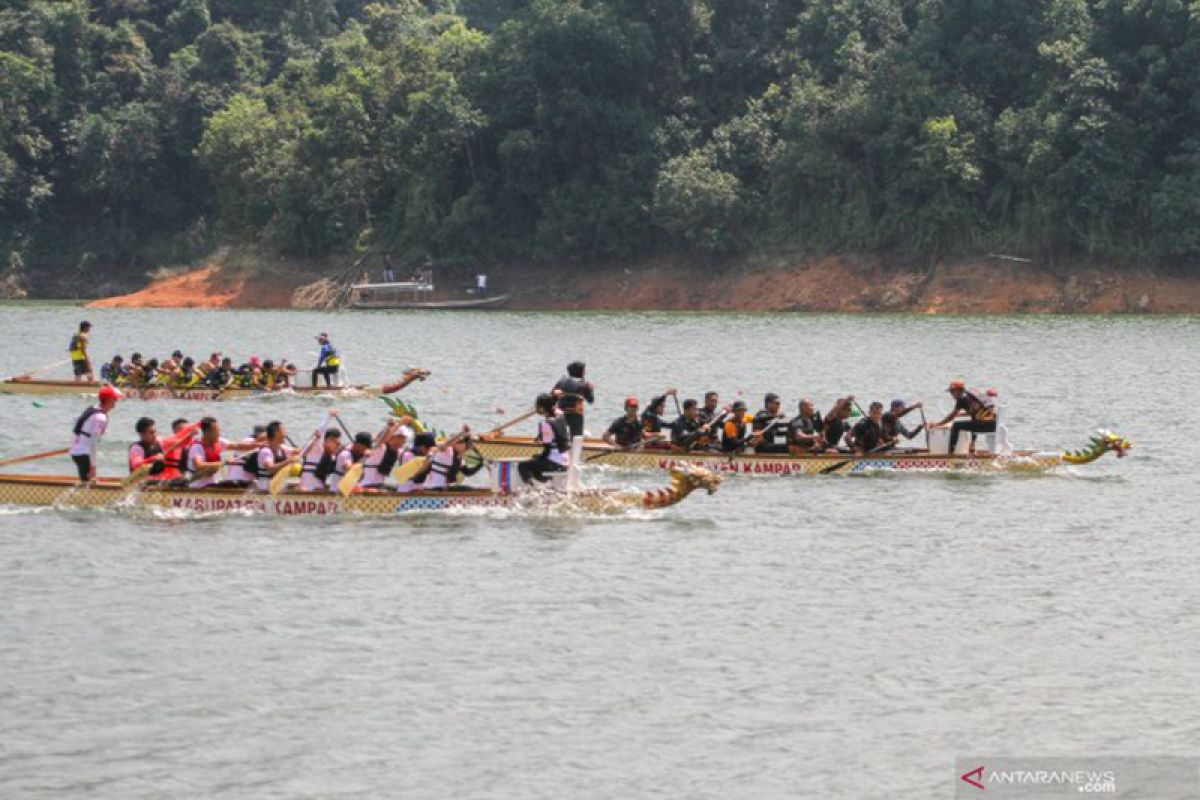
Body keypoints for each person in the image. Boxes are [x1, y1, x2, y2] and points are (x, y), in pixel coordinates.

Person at [185, 417, 258, 488]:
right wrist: (225, 462)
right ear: (207, 432)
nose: (219, 433)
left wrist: (261, 444)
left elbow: (238, 446)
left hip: (210, 483)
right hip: (196, 486)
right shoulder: (197, 447)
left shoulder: (219, 442)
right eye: (217, 431)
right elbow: (199, 465)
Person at [67, 385, 121, 482]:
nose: (116, 401)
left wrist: (73, 446)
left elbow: (79, 428)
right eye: (115, 399)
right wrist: (93, 467)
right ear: (109, 400)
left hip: (77, 450)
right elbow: (93, 444)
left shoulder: (93, 408)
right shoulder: (100, 418)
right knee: (88, 483)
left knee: (86, 482)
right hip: (83, 453)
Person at [519, 394, 570, 484]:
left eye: (537, 406)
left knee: (523, 466)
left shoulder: (545, 424)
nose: (536, 408)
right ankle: (543, 487)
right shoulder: (561, 415)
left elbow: (547, 450)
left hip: (555, 464)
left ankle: (531, 491)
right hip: (565, 462)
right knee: (536, 462)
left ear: (542, 408)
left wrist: (539, 457)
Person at [934, 380, 997, 453]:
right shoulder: (971, 394)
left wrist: (938, 424)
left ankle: (950, 453)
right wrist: (960, 415)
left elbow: (952, 416)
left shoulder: (961, 398)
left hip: (986, 425)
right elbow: (977, 410)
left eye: (952, 392)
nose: (951, 394)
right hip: (993, 424)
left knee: (956, 425)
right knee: (974, 420)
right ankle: (972, 446)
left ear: (958, 390)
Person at [359, 420, 410, 491]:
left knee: (402, 489)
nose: (405, 441)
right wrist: (397, 425)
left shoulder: (398, 451)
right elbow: (381, 439)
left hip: (380, 485)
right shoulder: (380, 448)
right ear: (394, 437)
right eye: (403, 438)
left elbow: (412, 457)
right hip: (367, 485)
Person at [244, 420, 293, 491]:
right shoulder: (266, 451)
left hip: (276, 488)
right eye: (283, 431)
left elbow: (301, 452)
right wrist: (288, 461)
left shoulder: (281, 449)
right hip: (265, 490)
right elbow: (270, 469)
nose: (285, 434)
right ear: (276, 433)